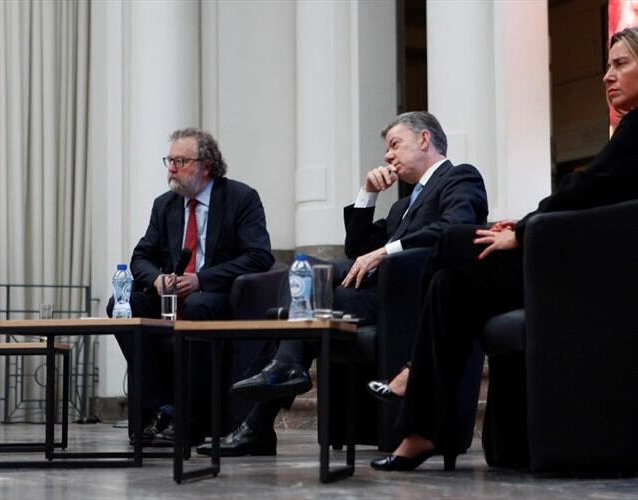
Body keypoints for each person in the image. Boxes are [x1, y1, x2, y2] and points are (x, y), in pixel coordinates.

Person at [370, 24, 638, 471]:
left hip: (594, 276)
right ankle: (422, 432)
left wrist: (521, 232)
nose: (607, 76)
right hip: (595, 266)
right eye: (607, 66)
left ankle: (416, 378)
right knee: (450, 287)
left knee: (450, 241)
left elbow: (583, 188)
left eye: (620, 64)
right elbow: (593, 198)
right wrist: (523, 227)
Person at [197, 111, 489, 457]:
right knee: (303, 288)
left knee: (303, 293)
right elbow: (357, 250)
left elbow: (456, 227)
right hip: (380, 296)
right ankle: (270, 400)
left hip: (417, 300)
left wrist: (386, 251)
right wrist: (366, 194)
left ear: (425, 139)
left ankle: (265, 409)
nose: (387, 156)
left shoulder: (460, 177)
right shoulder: (402, 207)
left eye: (395, 145)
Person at [108, 127, 275, 447]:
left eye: (180, 161)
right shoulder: (165, 205)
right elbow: (141, 255)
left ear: (206, 165)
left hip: (218, 297)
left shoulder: (241, 198)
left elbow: (259, 256)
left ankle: (191, 421)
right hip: (169, 297)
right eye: (169, 160)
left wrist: (202, 280)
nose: (171, 168)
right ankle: (160, 408)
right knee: (123, 306)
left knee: (198, 305)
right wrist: (157, 279)